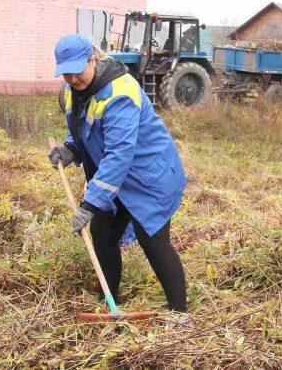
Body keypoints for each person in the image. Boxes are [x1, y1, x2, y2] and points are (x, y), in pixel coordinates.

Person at [48, 34, 188, 312]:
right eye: (66, 74)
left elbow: (119, 153)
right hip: (116, 178)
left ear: (92, 60)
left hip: (149, 176)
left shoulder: (121, 92)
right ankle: (108, 300)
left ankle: (179, 312)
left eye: (77, 71)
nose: (73, 79)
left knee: (152, 239)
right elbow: (83, 128)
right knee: (102, 233)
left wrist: (89, 204)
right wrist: (70, 149)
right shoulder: (71, 91)